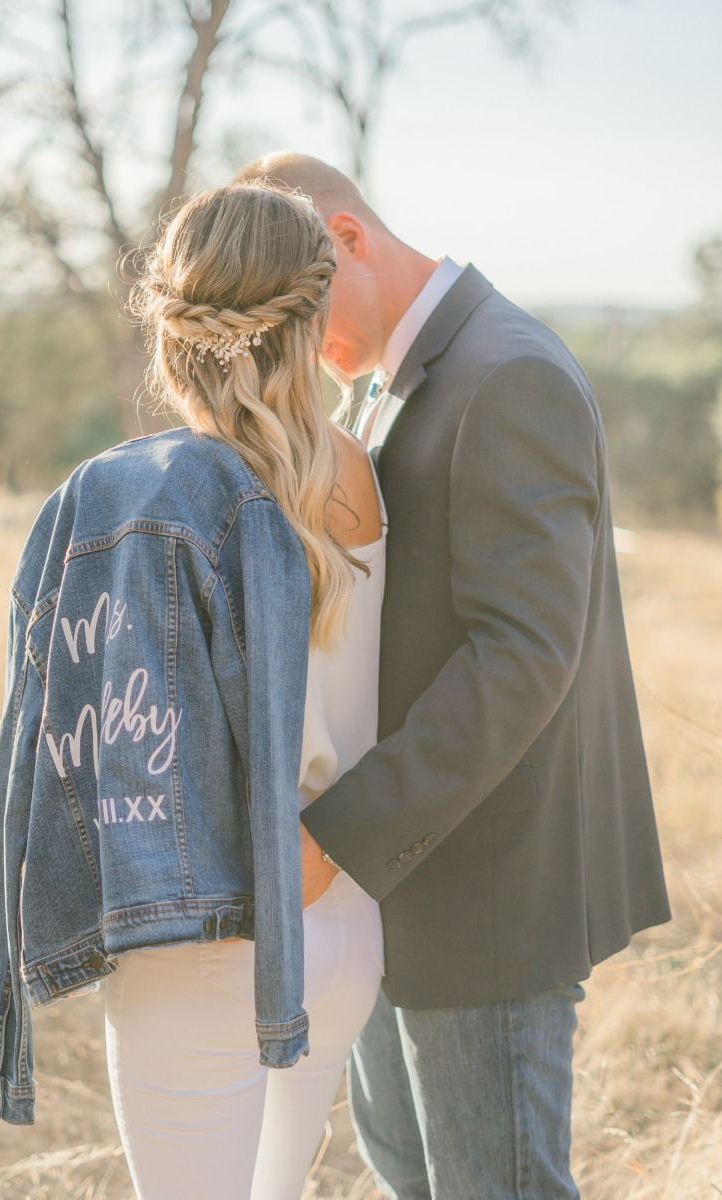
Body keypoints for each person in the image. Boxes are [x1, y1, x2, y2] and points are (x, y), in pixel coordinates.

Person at [233, 153, 671, 1200]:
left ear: (346, 238)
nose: (293, 342)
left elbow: (522, 657)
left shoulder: (507, 372)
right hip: (403, 884)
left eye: (298, 307)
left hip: (487, 899)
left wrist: (331, 840)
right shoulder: (395, 380)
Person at [0, 182, 387, 1199]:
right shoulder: (358, 479)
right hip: (339, 925)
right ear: (312, 316)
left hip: (213, 941)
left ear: (168, 325)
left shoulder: (137, 495)